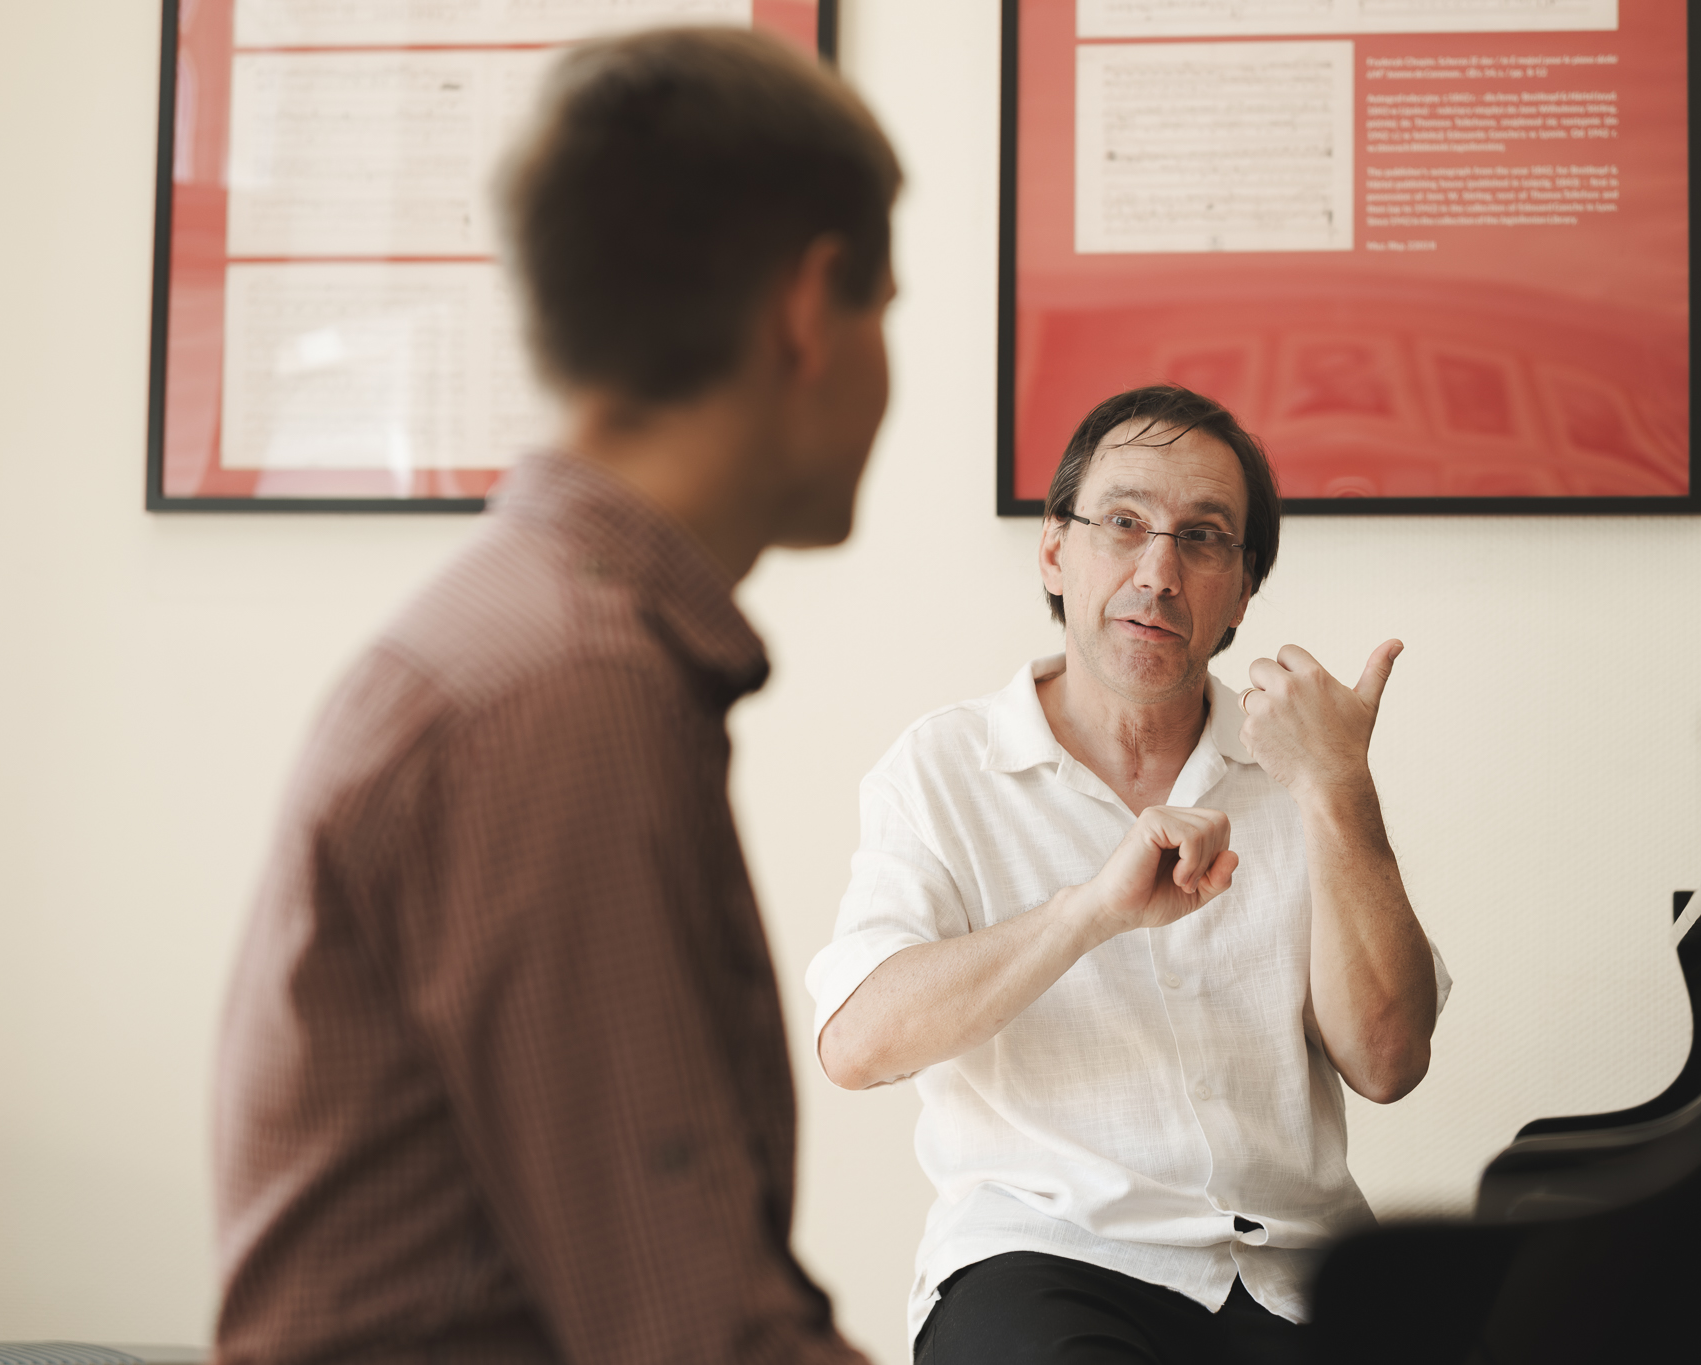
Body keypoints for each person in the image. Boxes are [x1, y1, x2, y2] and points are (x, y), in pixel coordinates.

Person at [213, 28, 898, 1365]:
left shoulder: (539, 642)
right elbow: (689, 1336)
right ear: (807, 312)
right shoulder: (566, 698)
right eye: (889, 308)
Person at [807, 385, 1451, 1364]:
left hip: (1296, 1270)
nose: (1158, 572)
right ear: (1053, 551)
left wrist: (1339, 788)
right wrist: (1088, 913)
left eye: (1202, 538)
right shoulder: (941, 767)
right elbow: (858, 1046)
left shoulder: (1302, 767)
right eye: (1122, 523)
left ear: (1242, 591)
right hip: (1043, 1258)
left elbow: (1387, 1062)